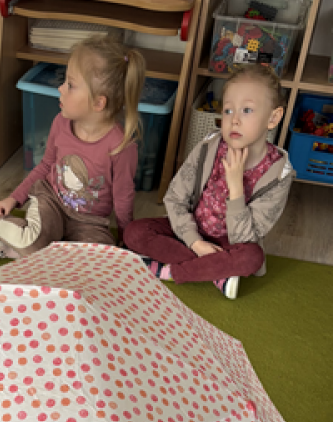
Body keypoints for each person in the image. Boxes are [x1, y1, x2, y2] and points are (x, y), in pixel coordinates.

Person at [0, 35, 145, 261]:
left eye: (70, 85)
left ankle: (20, 249)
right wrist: (15, 198)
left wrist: (125, 238)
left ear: (98, 103)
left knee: (99, 261)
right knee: (32, 241)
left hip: (90, 222)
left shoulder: (122, 147)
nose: (61, 88)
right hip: (51, 203)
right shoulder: (61, 123)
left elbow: (123, 198)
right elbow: (45, 166)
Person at [124, 63, 294, 300]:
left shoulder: (278, 175)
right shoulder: (208, 148)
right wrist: (195, 242)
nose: (234, 120)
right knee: (134, 232)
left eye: (247, 110)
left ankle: (171, 271)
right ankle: (216, 272)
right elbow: (175, 198)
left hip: (231, 243)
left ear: (273, 118)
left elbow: (246, 238)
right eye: (228, 110)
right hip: (190, 230)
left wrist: (236, 188)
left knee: (252, 258)